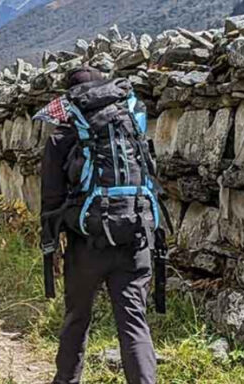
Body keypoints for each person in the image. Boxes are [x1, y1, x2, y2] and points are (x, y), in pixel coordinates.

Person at [40, 66, 158, 384]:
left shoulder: (64, 133)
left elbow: (51, 199)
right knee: (133, 323)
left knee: (77, 318)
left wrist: (51, 245)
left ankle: (66, 380)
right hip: (135, 235)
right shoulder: (129, 123)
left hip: (86, 244)